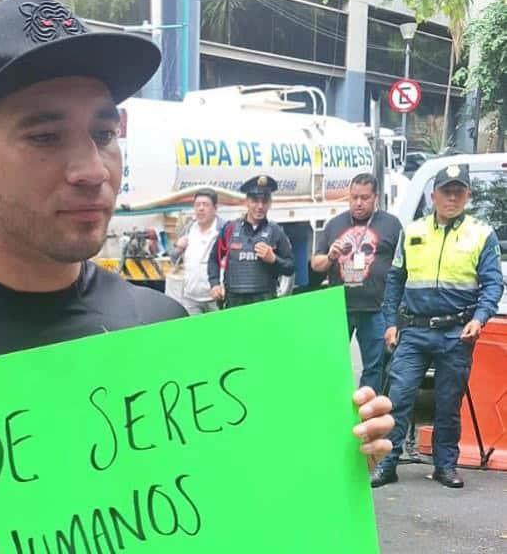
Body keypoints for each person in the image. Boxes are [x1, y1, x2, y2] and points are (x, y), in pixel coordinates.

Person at [0, 0, 392, 471]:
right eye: (44, 137)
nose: (91, 169)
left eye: (104, 133)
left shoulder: (164, 334)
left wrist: (320, 461)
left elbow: (220, 510)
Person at [372, 164, 503, 489]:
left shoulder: (481, 234)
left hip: (456, 333)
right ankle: (386, 463)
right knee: (398, 398)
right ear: (434, 196)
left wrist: (479, 318)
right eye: (447, 191)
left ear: (468, 196)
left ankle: (445, 466)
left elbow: (493, 284)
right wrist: (391, 323)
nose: (452, 197)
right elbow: (395, 281)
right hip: (413, 331)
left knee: (447, 403)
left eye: (459, 191)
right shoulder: (413, 231)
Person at [311, 174, 403, 394]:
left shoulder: (391, 225)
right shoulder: (335, 224)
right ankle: (334, 409)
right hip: (340, 308)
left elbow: (402, 266)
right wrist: (331, 257)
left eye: (364, 197)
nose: (358, 203)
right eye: (353, 198)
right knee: (332, 363)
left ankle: (366, 417)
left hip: (376, 309)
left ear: (376, 198)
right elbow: (316, 264)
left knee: (374, 367)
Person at [208, 175, 294, 308]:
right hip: (234, 300)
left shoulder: (276, 231)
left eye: (264, 201)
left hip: (264, 301)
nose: (260, 206)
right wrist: (214, 284)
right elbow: (214, 258)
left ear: (270, 203)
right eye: (255, 200)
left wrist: (273, 259)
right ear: (246, 202)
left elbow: (290, 267)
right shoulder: (230, 229)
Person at [170, 188, 223, 315]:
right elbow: (173, 260)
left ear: (215, 208)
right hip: (190, 298)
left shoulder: (223, 230)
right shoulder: (189, 229)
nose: (201, 209)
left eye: (205, 205)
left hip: (215, 298)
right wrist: (179, 248)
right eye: (197, 205)